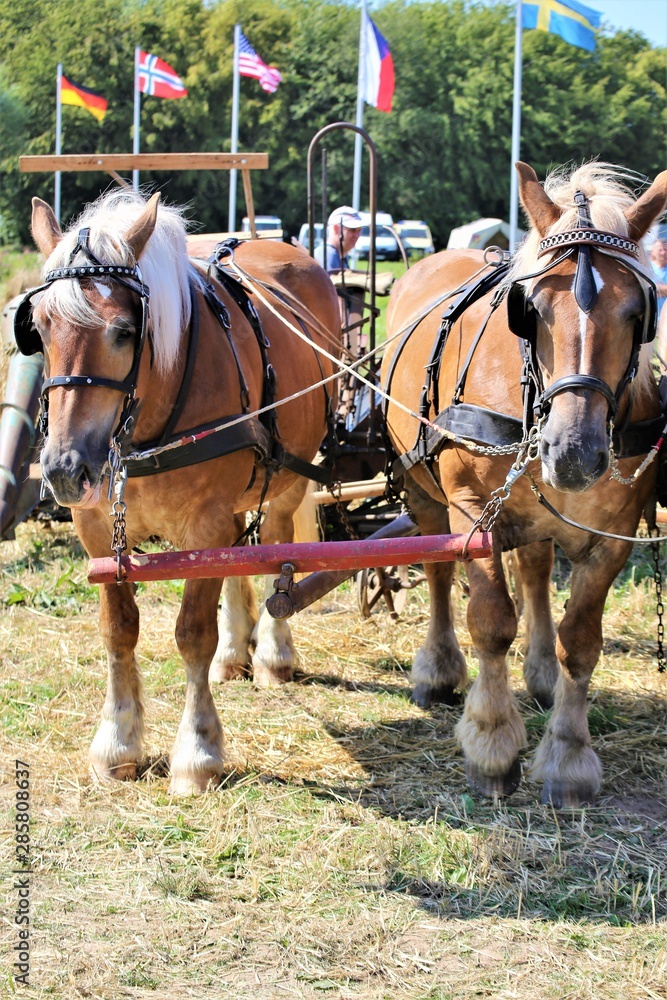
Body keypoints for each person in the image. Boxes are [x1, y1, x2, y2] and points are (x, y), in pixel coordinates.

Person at [314, 206, 363, 272]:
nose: (357, 235)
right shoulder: (328, 255)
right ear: (336, 228)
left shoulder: (339, 255)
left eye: (359, 230)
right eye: (352, 230)